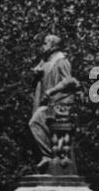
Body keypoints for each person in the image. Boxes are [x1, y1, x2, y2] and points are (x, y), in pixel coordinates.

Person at [29, 33, 81, 172]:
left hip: (57, 104)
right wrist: (37, 72)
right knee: (35, 123)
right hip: (44, 102)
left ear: (53, 46)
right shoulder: (46, 61)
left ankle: (48, 155)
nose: (43, 46)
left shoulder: (61, 60)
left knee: (35, 122)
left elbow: (69, 80)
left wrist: (52, 91)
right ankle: (45, 156)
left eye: (45, 43)